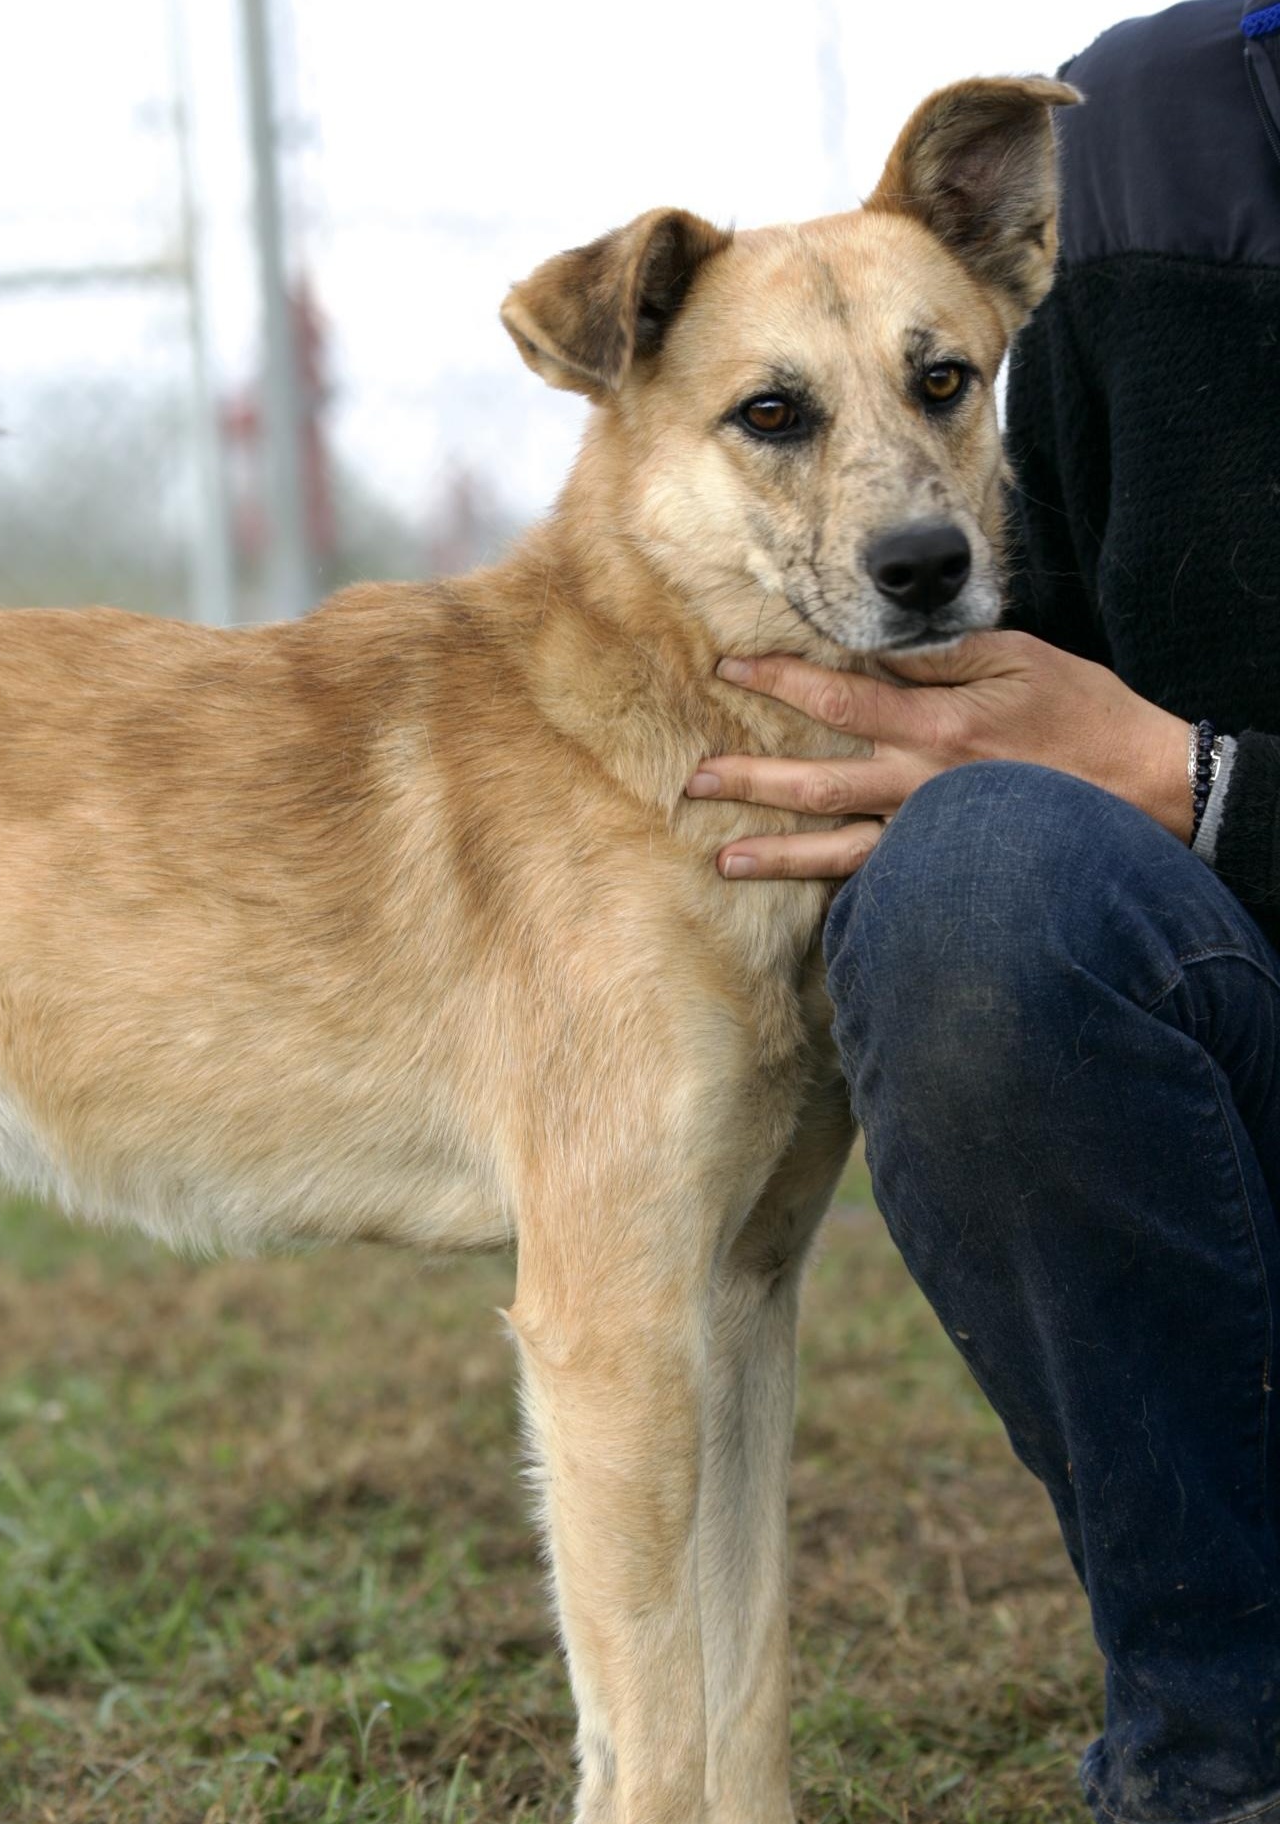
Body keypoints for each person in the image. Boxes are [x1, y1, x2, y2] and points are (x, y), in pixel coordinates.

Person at [690, 5, 1280, 1819]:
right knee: (981, 884)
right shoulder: (1159, 127)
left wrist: (1211, 788)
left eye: (939, 388)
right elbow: (1048, 701)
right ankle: (1227, 1744)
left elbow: (1160, 772)